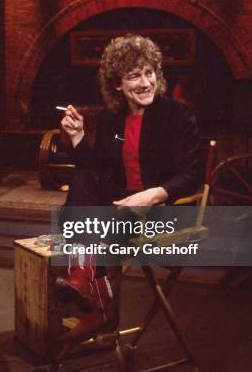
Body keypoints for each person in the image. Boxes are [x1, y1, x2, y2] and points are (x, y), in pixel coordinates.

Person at [57, 35, 202, 343]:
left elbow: (191, 176)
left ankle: (97, 303)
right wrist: (80, 135)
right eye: (134, 75)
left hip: (165, 212)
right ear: (117, 85)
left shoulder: (177, 115)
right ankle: (89, 284)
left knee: (95, 224)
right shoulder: (112, 117)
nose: (145, 82)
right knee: (84, 180)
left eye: (150, 73)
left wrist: (150, 195)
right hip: (122, 209)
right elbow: (95, 170)